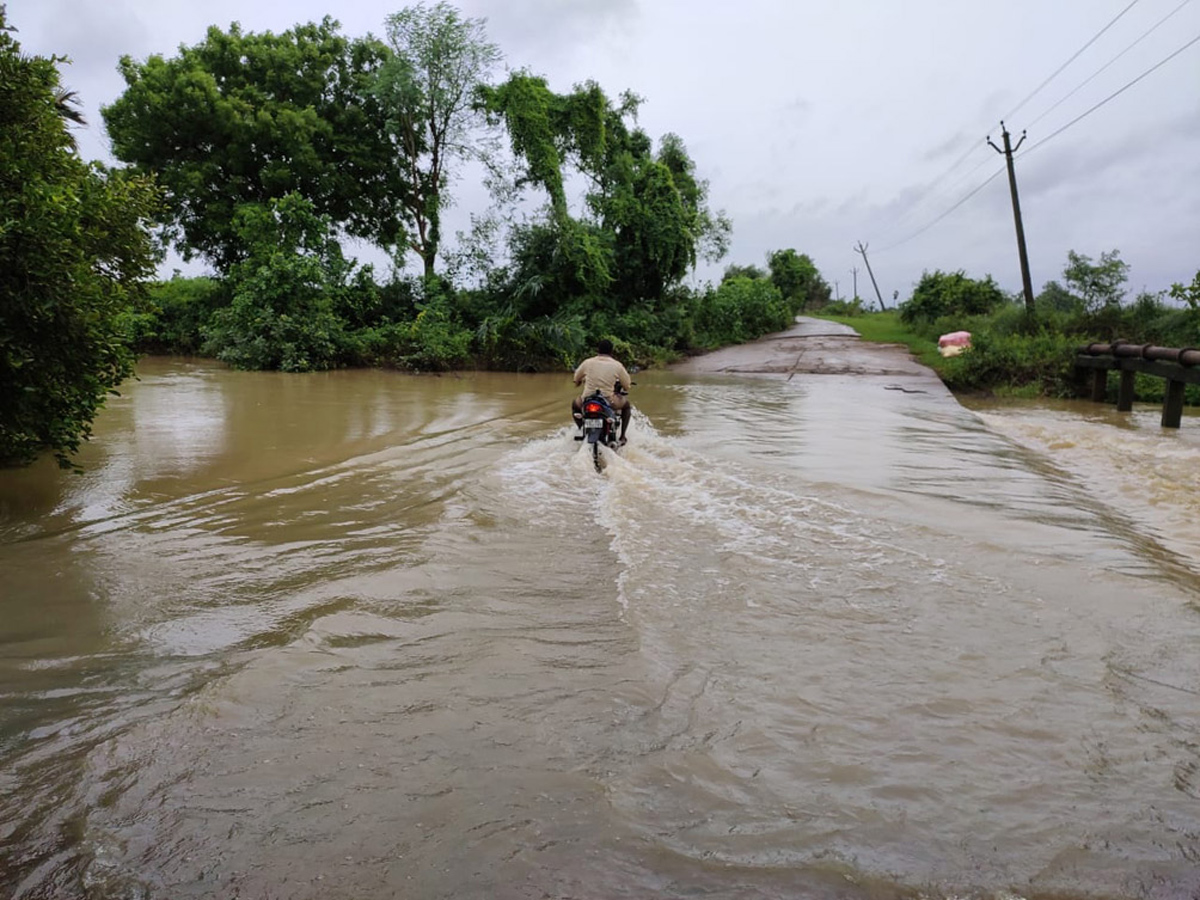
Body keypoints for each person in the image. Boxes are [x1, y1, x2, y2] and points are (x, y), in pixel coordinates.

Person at [572, 339, 632, 444]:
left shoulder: (588, 362)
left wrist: (578, 382)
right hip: (608, 400)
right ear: (611, 351)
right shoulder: (617, 365)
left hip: (587, 399)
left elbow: (576, 378)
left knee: (575, 405)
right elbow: (627, 385)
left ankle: (581, 428)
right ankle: (622, 436)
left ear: (598, 350)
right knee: (626, 406)